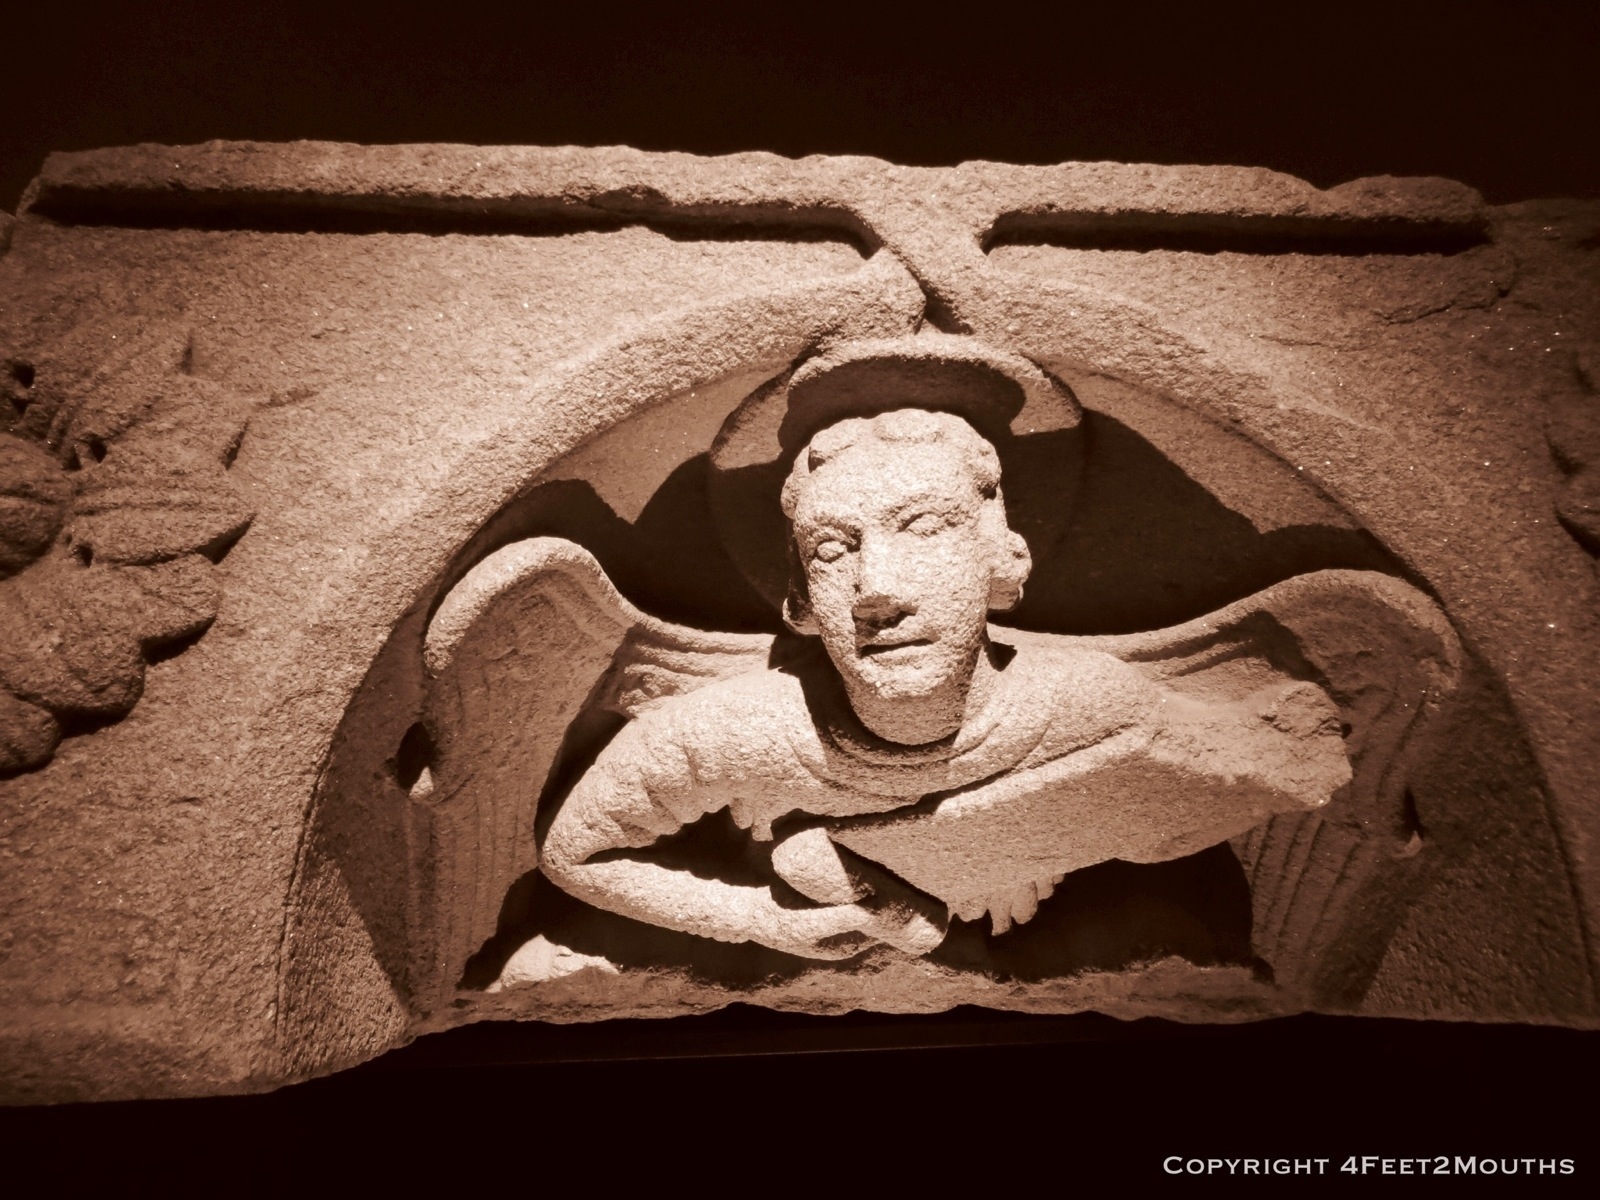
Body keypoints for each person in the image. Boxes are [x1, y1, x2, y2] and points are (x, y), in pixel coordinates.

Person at [538, 407, 1349, 959]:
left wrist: (1030, 840)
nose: (877, 588)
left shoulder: (1089, 706)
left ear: (1000, 555)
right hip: (819, 989)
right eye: (832, 550)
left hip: (1038, 983)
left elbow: (1230, 780)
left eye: (924, 528)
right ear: (801, 599)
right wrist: (759, 921)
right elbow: (575, 856)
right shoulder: (735, 734)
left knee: (1163, 937)